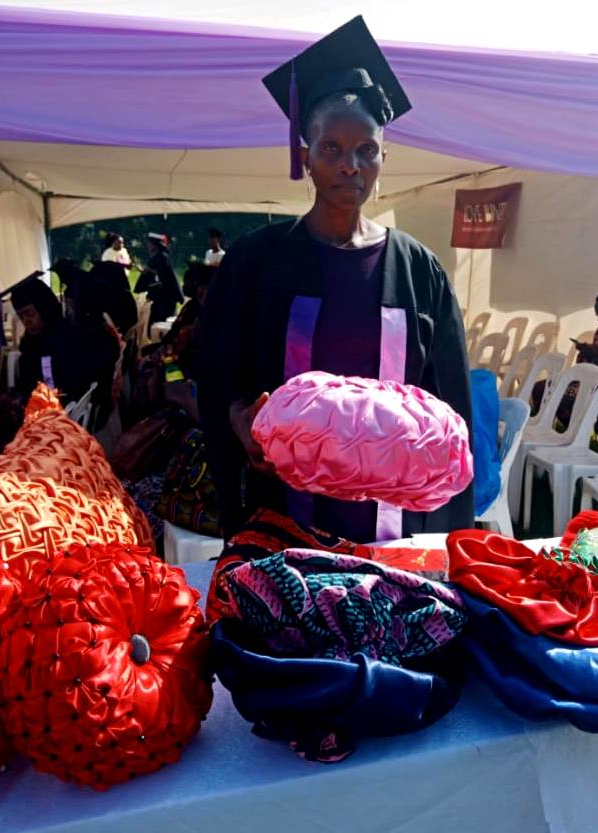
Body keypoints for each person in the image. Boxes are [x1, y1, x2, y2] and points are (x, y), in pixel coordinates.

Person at [199, 17, 473, 542]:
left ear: (383, 159)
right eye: (331, 148)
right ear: (305, 157)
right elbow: (219, 379)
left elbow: (451, 406)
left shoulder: (420, 270)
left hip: (389, 518)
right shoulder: (254, 263)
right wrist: (239, 420)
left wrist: (447, 531)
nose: (350, 164)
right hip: (283, 508)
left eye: (366, 149)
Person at [6, 274, 114, 411]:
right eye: (21, 316)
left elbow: (69, 387)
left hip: (62, 414)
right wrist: (18, 396)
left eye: (30, 313)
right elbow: (29, 381)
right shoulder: (31, 344)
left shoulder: (67, 338)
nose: (26, 321)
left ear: (44, 308)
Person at [134, 232, 184, 327]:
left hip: (164, 297)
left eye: (150, 244)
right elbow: (155, 272)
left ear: (154, 245)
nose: (148, 246)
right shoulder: (161, 256)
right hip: (163, 295)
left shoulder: (160, 257)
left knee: (160, 323)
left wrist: (148, 270)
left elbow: (161, 274)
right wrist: (144, 270)